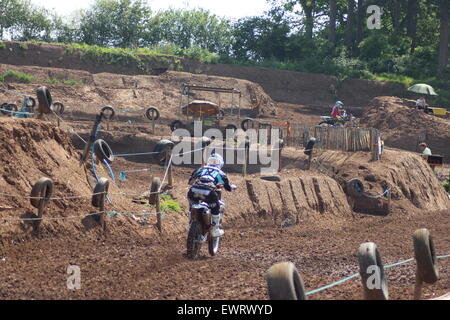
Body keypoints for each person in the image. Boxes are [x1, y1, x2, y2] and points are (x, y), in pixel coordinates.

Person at [187, 153, 236, 237]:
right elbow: (227, 187)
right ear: (220, 163)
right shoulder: (220, 173)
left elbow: (190, 182)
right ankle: (215, 230)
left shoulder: (200, 169)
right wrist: (232, 187)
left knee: (192, 205)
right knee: (216, 207)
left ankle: (191, 221)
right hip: (208, 193)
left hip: (193, 191)